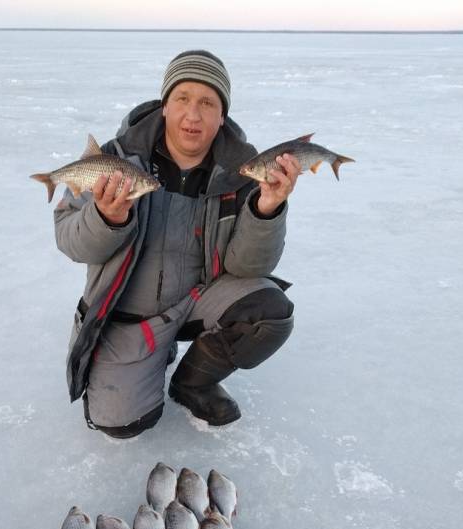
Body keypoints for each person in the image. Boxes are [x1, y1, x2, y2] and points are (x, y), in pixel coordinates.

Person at [55, 50, 299, 438]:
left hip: (198, 300)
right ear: (165, 105)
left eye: (207, 103)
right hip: (130, 316)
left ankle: (193, 383)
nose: (193, 115)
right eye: (182, 98)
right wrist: (107, 218)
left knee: (267, 310)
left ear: (223, 116)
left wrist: (267, 208)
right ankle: (150, 357)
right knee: (120, 425)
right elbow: (69, 241)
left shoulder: (242, 173)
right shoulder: (115, 160)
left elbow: (247, 268)